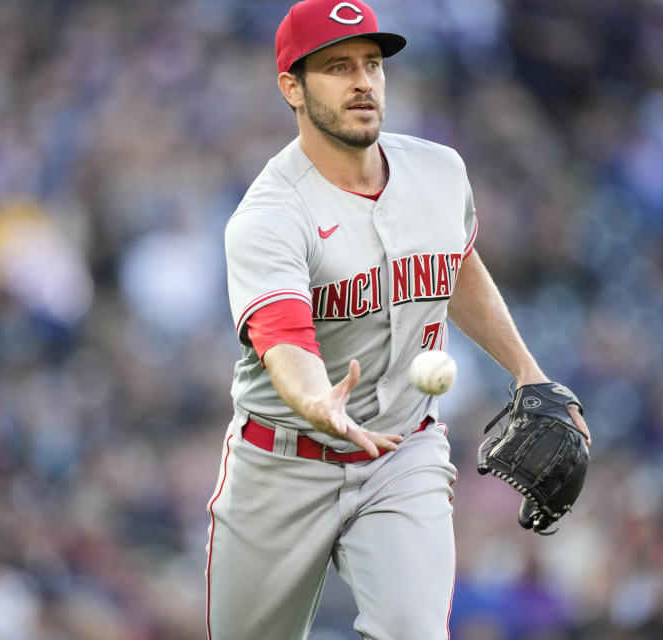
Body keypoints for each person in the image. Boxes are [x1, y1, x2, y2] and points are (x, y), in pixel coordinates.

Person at [205, 1, 592, 638]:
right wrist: (315, 401)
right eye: (337, 67)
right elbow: (282, 338)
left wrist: (529, 372)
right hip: (281, 464)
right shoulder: (270, 216)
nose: (362, 82)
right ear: (292, 88)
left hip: (402, 454)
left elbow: (455, 264)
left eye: (372, 64)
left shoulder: (439, 170)